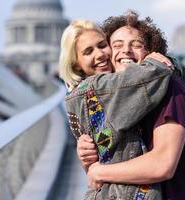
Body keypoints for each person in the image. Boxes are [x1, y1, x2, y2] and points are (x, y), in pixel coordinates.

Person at [77, 10, 185, 200]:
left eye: (136, 45)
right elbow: (109, 168)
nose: (126, 50)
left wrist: (98, 171)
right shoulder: (116, 98)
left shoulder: (169, 88)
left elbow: (162, 165)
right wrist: (88, 154)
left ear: (152, 53)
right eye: (117, 45)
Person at [59, 19, 173, 199]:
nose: (100, 55)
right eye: (88, 52)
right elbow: (151, 76)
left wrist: (88, 159)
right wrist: (163, 62)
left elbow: (94, 166)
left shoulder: (77, 94)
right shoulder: (102, 89)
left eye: (102, 45)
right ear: (76, 64)